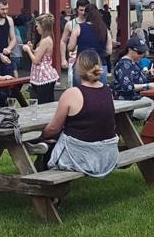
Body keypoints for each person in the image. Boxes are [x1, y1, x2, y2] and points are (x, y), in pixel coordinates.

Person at [37, 50, 120, 178]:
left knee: (47, 144)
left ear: (78, 68)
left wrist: (40, 136)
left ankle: (45, 190)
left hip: (79, 157)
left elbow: (54, 128)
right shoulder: (107, 91)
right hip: (107, 156)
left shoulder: (72, 94)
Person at [113, 37, 154, 121]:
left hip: (138, 98)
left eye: (143, 53)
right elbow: (127, 87)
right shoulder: (124, 65)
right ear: (130, 50)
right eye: (139, 52)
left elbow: (137, 78)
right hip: (130, 100)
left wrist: (150, 73)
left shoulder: (132, 63)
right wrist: (147, 86)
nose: (142, 55)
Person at [67, 0, 112, 86]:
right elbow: (109, 51)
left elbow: (70, 47)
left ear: (86, 14)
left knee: (80, 93)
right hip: (99, 65)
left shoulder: (78, 28)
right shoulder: (104, 29)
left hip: (82, 65)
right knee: (99, 92)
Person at [23, 14, 59, 105]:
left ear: (43, 26)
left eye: (37, 25)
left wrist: (28, 50)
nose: (36, 28)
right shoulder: (46, 39)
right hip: (43, 75)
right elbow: (40, 55)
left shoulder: (45, 40)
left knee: (43, 104)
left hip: (43, 76)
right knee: (46, 102)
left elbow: (36, 61)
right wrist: (32, 49)